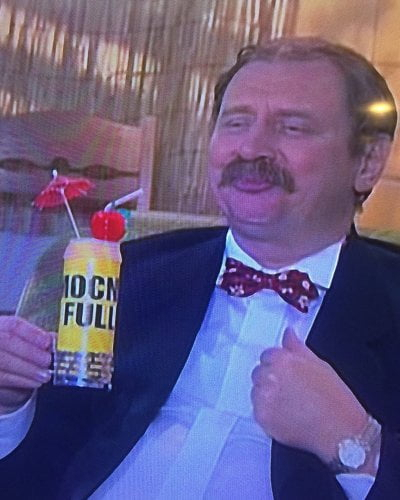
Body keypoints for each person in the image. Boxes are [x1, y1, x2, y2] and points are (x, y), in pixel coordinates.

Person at [1, 37, 400, 500]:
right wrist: (10, 406)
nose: (250, 148)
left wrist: (354, 442)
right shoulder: (128, 275)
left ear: (367, 162)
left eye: (292, 128)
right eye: (236, 123)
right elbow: (40, 469)